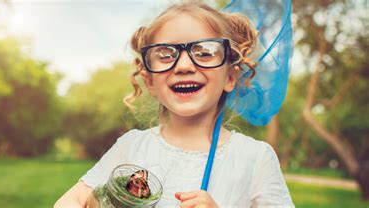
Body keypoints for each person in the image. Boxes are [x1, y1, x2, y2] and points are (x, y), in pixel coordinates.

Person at [55, 1, 294, 207]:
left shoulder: (255, 158)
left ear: (230, 77)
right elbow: (68, 201)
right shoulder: (132, 147)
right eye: (166, 54)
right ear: (150, 81)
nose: (183, 66)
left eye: (203, 52)